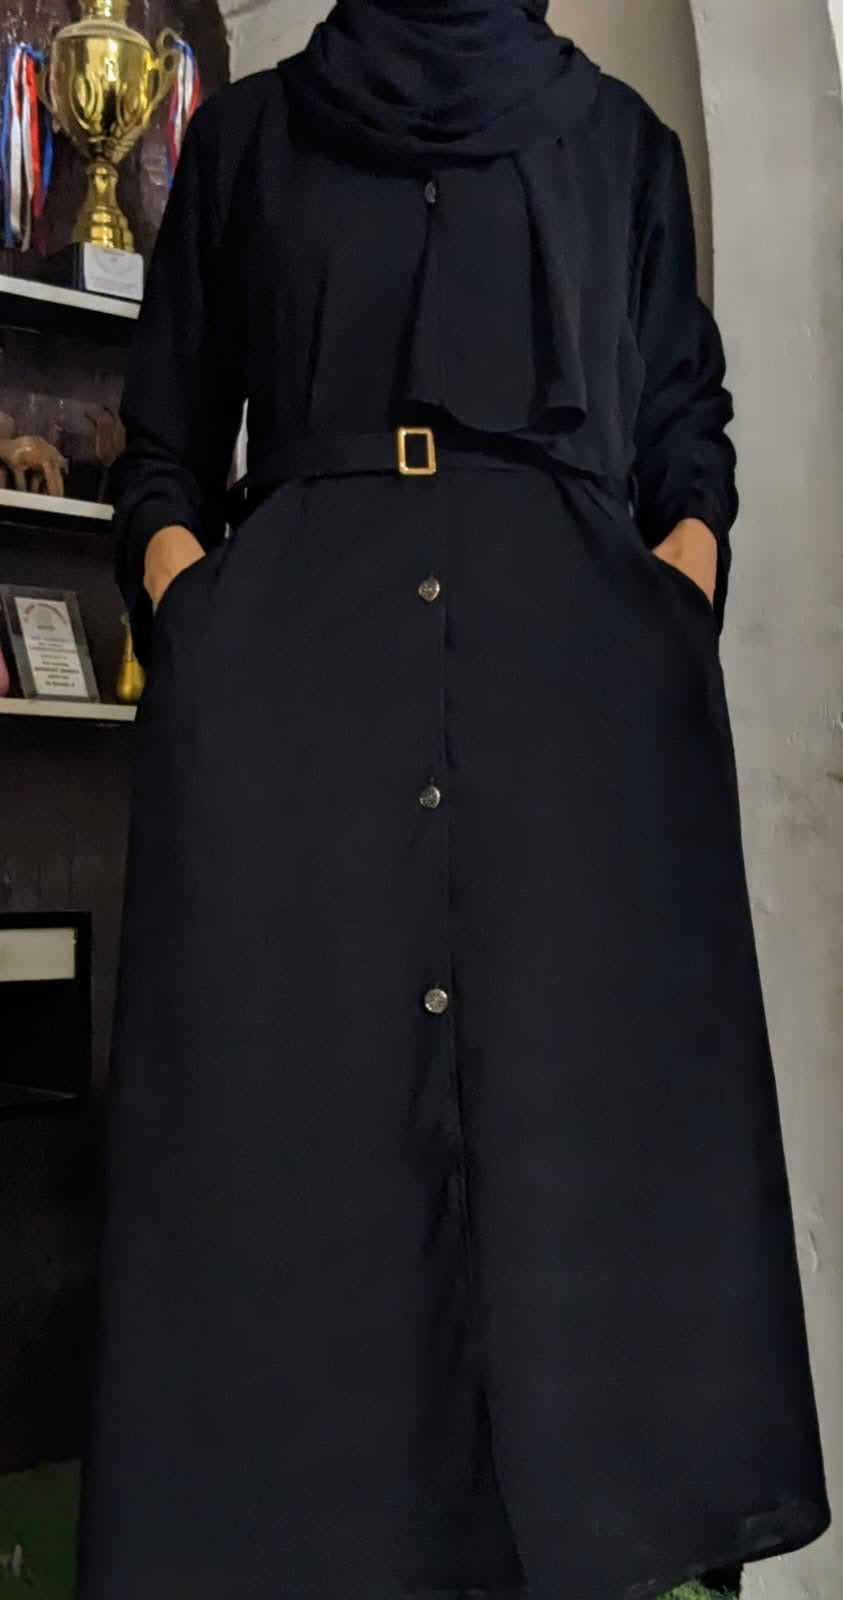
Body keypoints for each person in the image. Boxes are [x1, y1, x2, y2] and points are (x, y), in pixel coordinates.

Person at [75, 4, 830, 1598]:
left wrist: (674, 596)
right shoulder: (250, 141)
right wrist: (197, 619)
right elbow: (163, 443)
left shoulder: (619, 146)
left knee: (579, 1131)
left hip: (575, 705)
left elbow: (684, 425)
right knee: (300, 1142)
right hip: (297, 702)